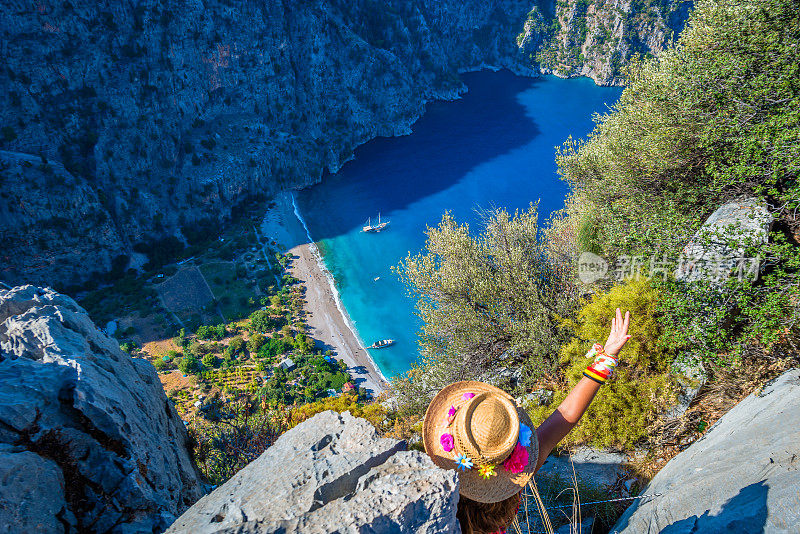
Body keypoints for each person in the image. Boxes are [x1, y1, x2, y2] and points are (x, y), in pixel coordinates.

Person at [422, 308, 632, 534]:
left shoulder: (435, 506)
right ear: (508, 448)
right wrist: (608, 356)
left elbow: (565, 417)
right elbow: (565, 417)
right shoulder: (513, 484)